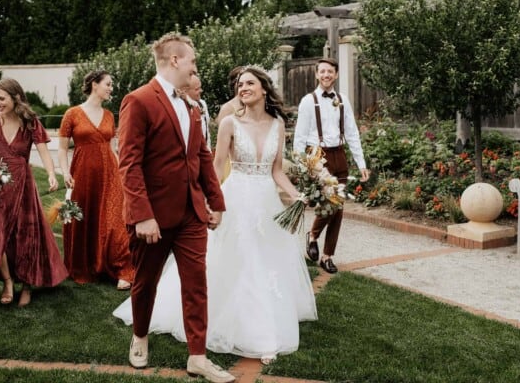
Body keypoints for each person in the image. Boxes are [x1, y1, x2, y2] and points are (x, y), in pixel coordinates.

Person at [114, 66, 318, 365]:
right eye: (239, 84)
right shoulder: (229, 123)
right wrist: (210, 202)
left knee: (266, 264)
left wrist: (297, 195)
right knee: (239, 262)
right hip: (236, 200)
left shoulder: (277, 125)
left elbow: (276, 171)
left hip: (266, 203)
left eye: (249, 83)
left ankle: (264, 326)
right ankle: (246, 332)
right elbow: (215, 164)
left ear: (264, 89)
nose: (242, 88)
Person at [116, 32, 233, 383]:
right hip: (151, 217)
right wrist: (143, 215)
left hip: (191, 215)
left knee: (196, 284)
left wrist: (216, 202)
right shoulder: (138, 101)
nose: (195, 68)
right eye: (193, 61)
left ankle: (197, 357)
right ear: (175, 61)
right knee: (146, 282)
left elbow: (200, 157)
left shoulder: (191, 107)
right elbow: (129, 163)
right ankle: (140, 335)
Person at [0, 78, 68, 307]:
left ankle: (27, 285)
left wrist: (50, 173)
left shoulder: (30, 122)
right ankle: (8, 282)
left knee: (26, 236)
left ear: (15, 98)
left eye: (1, 98)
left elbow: (44, 152)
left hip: (23, 188)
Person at [57, 70, 134, 289]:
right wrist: (65, 172)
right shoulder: (72, 114)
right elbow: (62, 149)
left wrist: (123, 173)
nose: (111, 88)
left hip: (109, 175)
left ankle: (123, 269)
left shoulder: (110, 115)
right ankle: (89, 265)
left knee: (114, 223)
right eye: (108, 84)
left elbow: (112, 149)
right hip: (81, 174)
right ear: (94, 84)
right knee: (84, 219)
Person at [293, 58, 370, 274]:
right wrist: (302, 165)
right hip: (318, 157)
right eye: (323, 71)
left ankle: (327, 255)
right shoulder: (308, 101)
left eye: (330, 72)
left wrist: (361, 163)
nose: (326, 75)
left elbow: (353, 133)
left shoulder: (343, 100)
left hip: (339, 155)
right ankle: (314, 235)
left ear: (336, 75)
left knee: (338, 207)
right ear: (317, 75)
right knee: (331, 204)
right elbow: (299, 137)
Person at [185, 74, 211, 149]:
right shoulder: (181, 107)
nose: (201, 91)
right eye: (197, 89)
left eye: (200, 88)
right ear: (186, 90)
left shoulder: (203, 104)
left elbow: (207, 132)